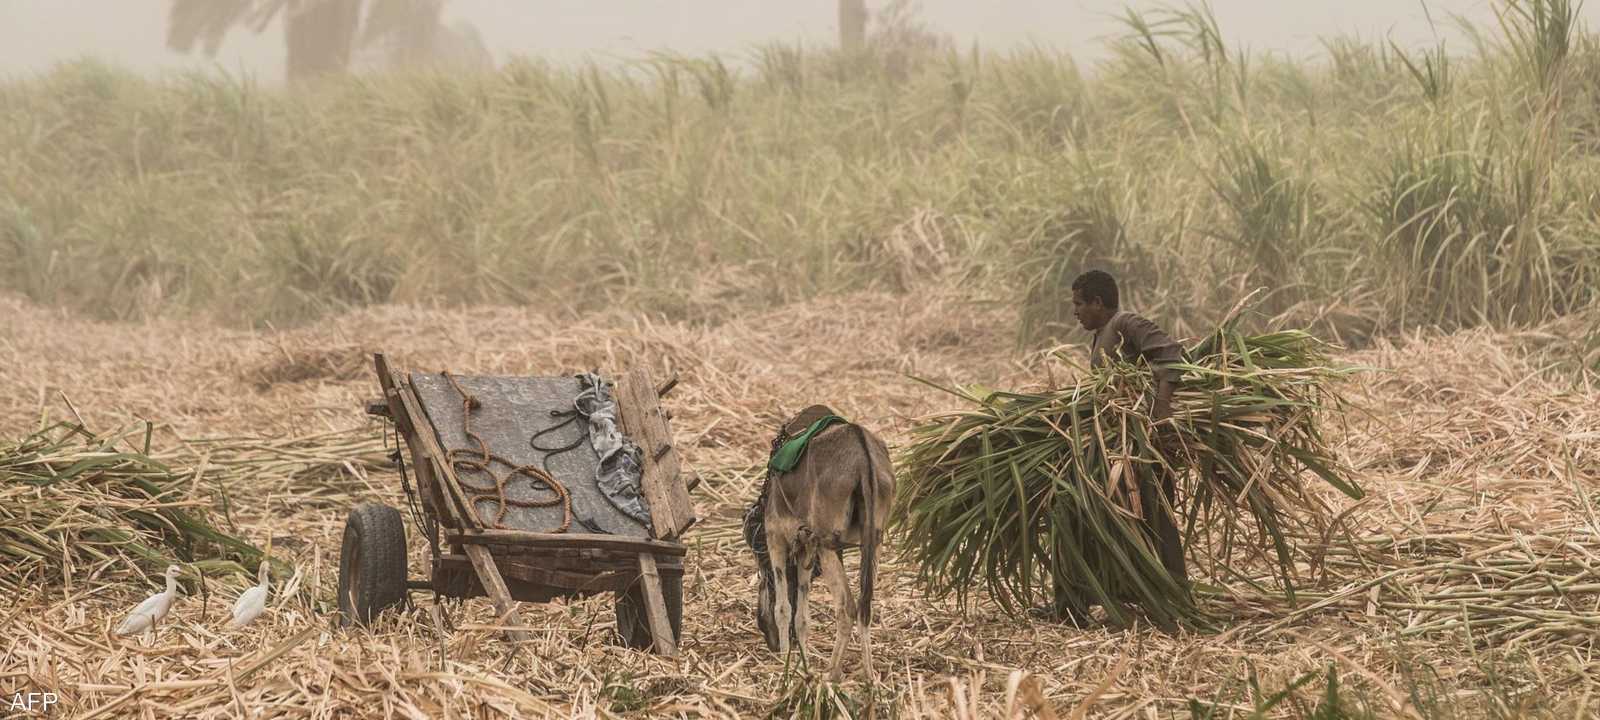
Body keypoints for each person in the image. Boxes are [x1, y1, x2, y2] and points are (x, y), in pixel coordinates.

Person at [1040, 269, 1190, 625]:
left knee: (1158, 521)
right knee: (1082, 517)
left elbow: (1172, 355)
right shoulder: (1101, 337)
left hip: (1141, 448)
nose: (1075, 312)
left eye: (1079, 304)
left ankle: (1176, 602)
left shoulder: (1126, 323)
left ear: (1098, 302)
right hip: (1114, 450)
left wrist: (1161, 409)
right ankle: (1075, 602)